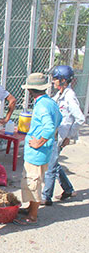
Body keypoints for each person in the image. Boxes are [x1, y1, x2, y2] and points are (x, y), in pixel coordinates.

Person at [14, 73, 61, 226]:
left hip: (37, 152)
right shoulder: (50, 102)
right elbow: (59, 118)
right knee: (35, 180)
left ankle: (32, 215)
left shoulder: (41, 106)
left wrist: (39, 142)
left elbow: (49, 127)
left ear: (30, 90)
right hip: (44, 151)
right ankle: (30, 208)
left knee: (32, 182)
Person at [41, 65, 85, 206]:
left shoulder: (69, 97)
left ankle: (46, 196)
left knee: (50, 167)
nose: (53, 81)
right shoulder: (60, 94)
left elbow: (80, 118)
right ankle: (68, 189)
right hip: (55, 134)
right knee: (52, 163)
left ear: (63, 80)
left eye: (55, 79)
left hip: (60, 136)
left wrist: (69, 136)